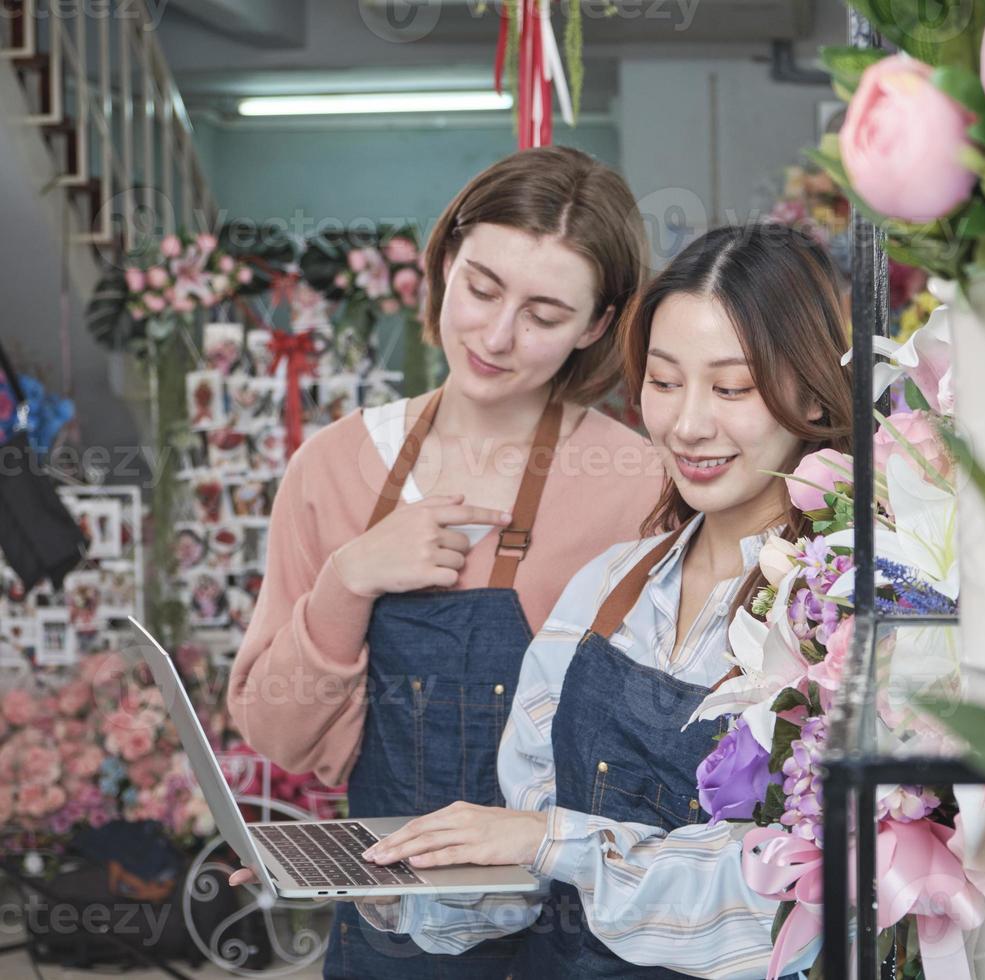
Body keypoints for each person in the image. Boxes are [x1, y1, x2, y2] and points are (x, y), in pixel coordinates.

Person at [345, 224, 854, 977]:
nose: (687, 424)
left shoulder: (834, 614)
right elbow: (528, 870)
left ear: (811, 394)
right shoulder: (608, 586)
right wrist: (393, 879)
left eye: (732, 387)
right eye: (664, 380)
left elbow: (789, 899)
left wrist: (551, 840)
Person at [225, 145, 664, 980]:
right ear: (444, 263)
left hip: (582, 934)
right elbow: (275, 734)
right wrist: (347, 579)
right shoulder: (333, 468)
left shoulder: (641, 483)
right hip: (395, 931)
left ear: (598, 325)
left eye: (543, 314)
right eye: (482, 287)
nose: (495, 337)